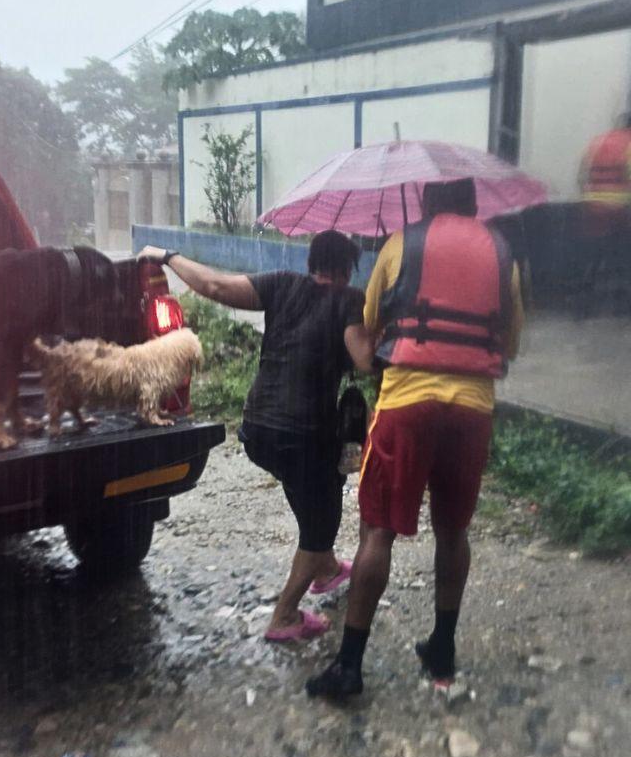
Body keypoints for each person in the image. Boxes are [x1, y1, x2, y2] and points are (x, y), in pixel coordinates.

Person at [305, 178, 525, 700]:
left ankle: (350, 667)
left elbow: (371, 321)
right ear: (474, 203)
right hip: (472, 408)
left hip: (408, 400)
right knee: (453, 532)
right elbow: (510, 342)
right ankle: (442, 648)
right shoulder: (503, 253)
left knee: (378, 530)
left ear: (427, 201)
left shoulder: (401, 243)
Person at [137, 232, 371, 641]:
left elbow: (213, 286)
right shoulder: (349, 301)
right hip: (302, 434)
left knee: (314, 486)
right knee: (322, 523)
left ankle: (328, 569)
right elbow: (365, 361)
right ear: (343, 270)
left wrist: (167, 255)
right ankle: (285, 616)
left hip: (258, 429)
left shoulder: (282, 283)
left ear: (311, 263)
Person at [575, 109, 631, 315]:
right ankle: (625, 308)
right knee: (627, 258)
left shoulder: (598, 141)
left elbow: (581, 176)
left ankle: (583, 307)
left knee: (594, 257)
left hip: (593, 205)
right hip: (625, 207)